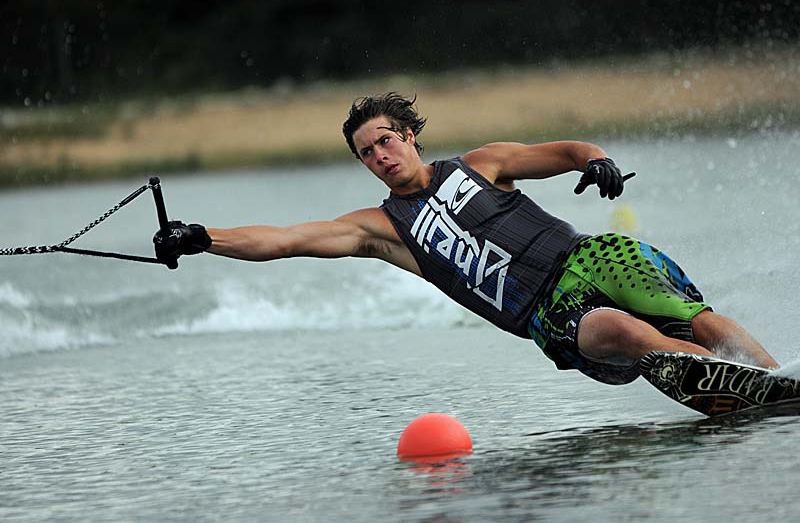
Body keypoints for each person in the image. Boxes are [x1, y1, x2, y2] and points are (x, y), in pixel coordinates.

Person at [153, 92, 778, 384]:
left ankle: (779, 380)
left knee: (691, 317)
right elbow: (284, 239)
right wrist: (201, 236)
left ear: (410, 135)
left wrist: (596, 160)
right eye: (366, 153)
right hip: (547, 310)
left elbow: (561, 150)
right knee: (620, 333)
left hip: (591, 255)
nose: (380, 156)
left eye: (386, 140)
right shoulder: (384, 229)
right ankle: (733, 383)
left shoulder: (480, 163)